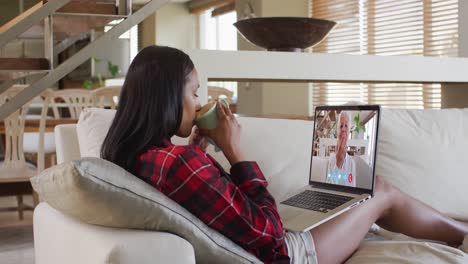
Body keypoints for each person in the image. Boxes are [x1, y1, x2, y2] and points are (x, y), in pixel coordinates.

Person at [101, 46, 468, 264]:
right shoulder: (180, 164)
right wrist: (233, 150)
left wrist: (199, 150)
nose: (198, 102)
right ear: (167, 96)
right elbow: (269, 235)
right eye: (194, 92)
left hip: (274, 242)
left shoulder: (139, 155)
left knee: (364, 203)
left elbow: (205, 199)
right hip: (289, 255)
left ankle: (456, 226)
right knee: (381, 191)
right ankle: (462, 236)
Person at [326, 111, 356, 187]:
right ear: (338, 130)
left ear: (349, 131)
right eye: (341, 126)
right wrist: (338, 164)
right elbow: (328, 189)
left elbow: (352, 189)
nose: (343, 129)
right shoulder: (331, 159)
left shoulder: (351, 163)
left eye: (346, 126)